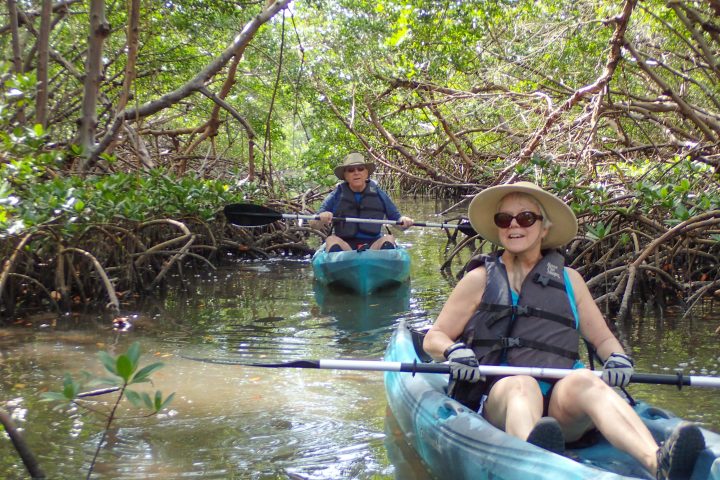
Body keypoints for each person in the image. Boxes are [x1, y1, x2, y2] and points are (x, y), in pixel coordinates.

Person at [422, 181, 705, 480]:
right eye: (504, 219)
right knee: (522, 384)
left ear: (544, 228)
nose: (514, 225)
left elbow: (603, 339)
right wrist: (454, 350)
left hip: (560, 402)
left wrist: (618, 358)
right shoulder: (479, 279)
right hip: (502, 397)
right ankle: (534, 467)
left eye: (526, 218)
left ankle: (656, 463)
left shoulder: (570, 279)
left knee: (586, 380)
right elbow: (434, 337)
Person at [316, 152, 413, 252]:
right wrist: (321, 218)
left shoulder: (378, 193)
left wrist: (404, 221)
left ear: (366, 173)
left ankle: (381, 260)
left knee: (389, 239)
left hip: (373, 245)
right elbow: (313, 223)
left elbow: (396, 219)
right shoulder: (336, 194)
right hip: (345, 246)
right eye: (351, 170)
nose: (356, 172)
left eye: (360, 169)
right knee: (331, 240)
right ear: (345, 176)